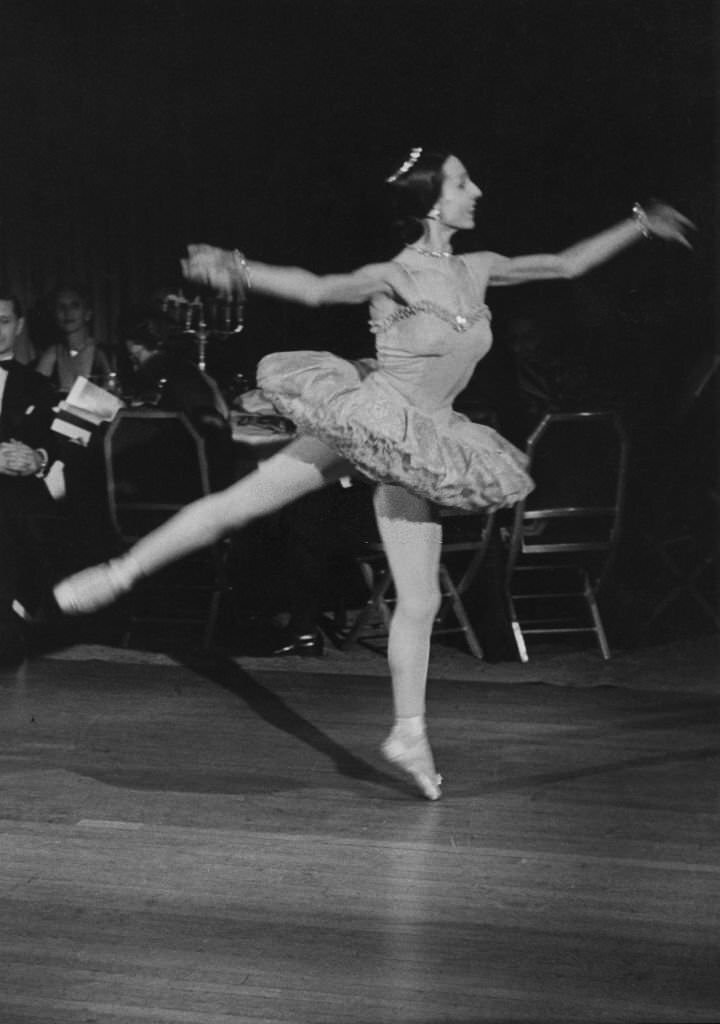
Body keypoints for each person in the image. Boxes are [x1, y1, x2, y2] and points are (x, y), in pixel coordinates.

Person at [53, 148, 693, 799]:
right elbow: (315, 288)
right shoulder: (394, 274)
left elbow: (563, 264)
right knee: (244, 504)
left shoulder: (480, 268)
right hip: (374, 416)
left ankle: (408, 733)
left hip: (424, 437)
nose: (477, 190)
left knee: (421, 600)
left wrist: (640, 223)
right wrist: (238, 268)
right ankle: (118, 573)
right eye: (462, 182)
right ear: (430, 201)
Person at [0, 290, 60, 665]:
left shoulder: (38, 386)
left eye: (3, 322)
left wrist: (36, 459)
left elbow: (55, 444)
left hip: (18, 498)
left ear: (19, 327)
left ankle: (11, 622)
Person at [36, 285, 112, 395]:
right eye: (61, 307)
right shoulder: (51, 354)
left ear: (87, 314)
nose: (67, 312)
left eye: (74, 306)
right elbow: (34, 393)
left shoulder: (103, 353)